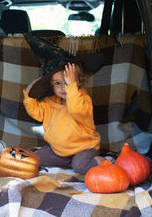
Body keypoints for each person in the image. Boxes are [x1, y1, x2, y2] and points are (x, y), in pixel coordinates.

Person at [22, 33, 106, 175]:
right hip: (60, 151)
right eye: (58, 83)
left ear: (78, 80)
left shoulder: (82, 99)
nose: (63, 87)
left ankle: (104, 160)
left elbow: (76, 111)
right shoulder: (50, 102)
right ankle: (67, 161)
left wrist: (71, 87)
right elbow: (36, 113)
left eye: (67, 82)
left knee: (80, 166)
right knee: (37, 158)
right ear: (51, 85)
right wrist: (29, 95)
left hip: (84, 148)